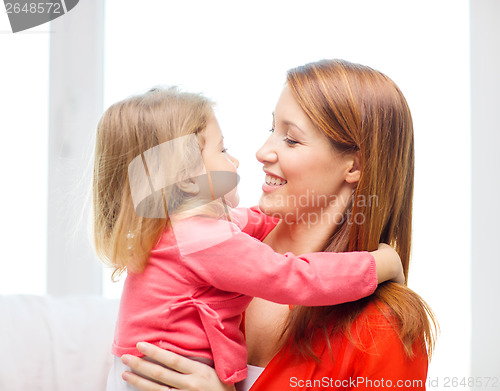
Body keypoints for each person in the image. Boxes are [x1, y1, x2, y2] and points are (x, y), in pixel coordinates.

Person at [118, 59, 437, 391]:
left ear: (353, 165)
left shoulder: (381, 327)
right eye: (272, 130)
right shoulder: (210, 270)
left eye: (292, 140)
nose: (261, 152)